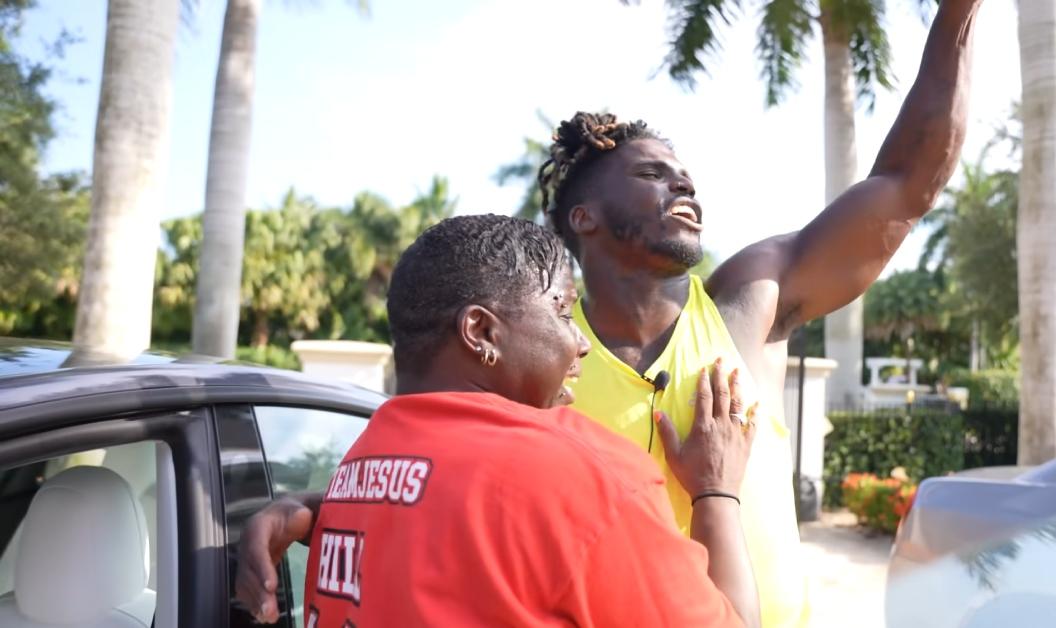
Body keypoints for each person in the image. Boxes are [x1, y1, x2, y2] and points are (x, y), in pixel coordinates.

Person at [240, 1, 983, 624]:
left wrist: (956, 14)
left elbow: (903, 184)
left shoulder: (742, 304)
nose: (683, 184)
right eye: (653, 174)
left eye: (685, 174)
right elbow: (453, 485)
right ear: (585, 217)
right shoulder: (529, 374)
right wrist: (322, 505)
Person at [247, 214, 761, 626]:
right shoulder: (586, 476)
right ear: (481, 331)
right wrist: (716, 490)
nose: (579, 341)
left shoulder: (359, 466)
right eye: (563, 313)